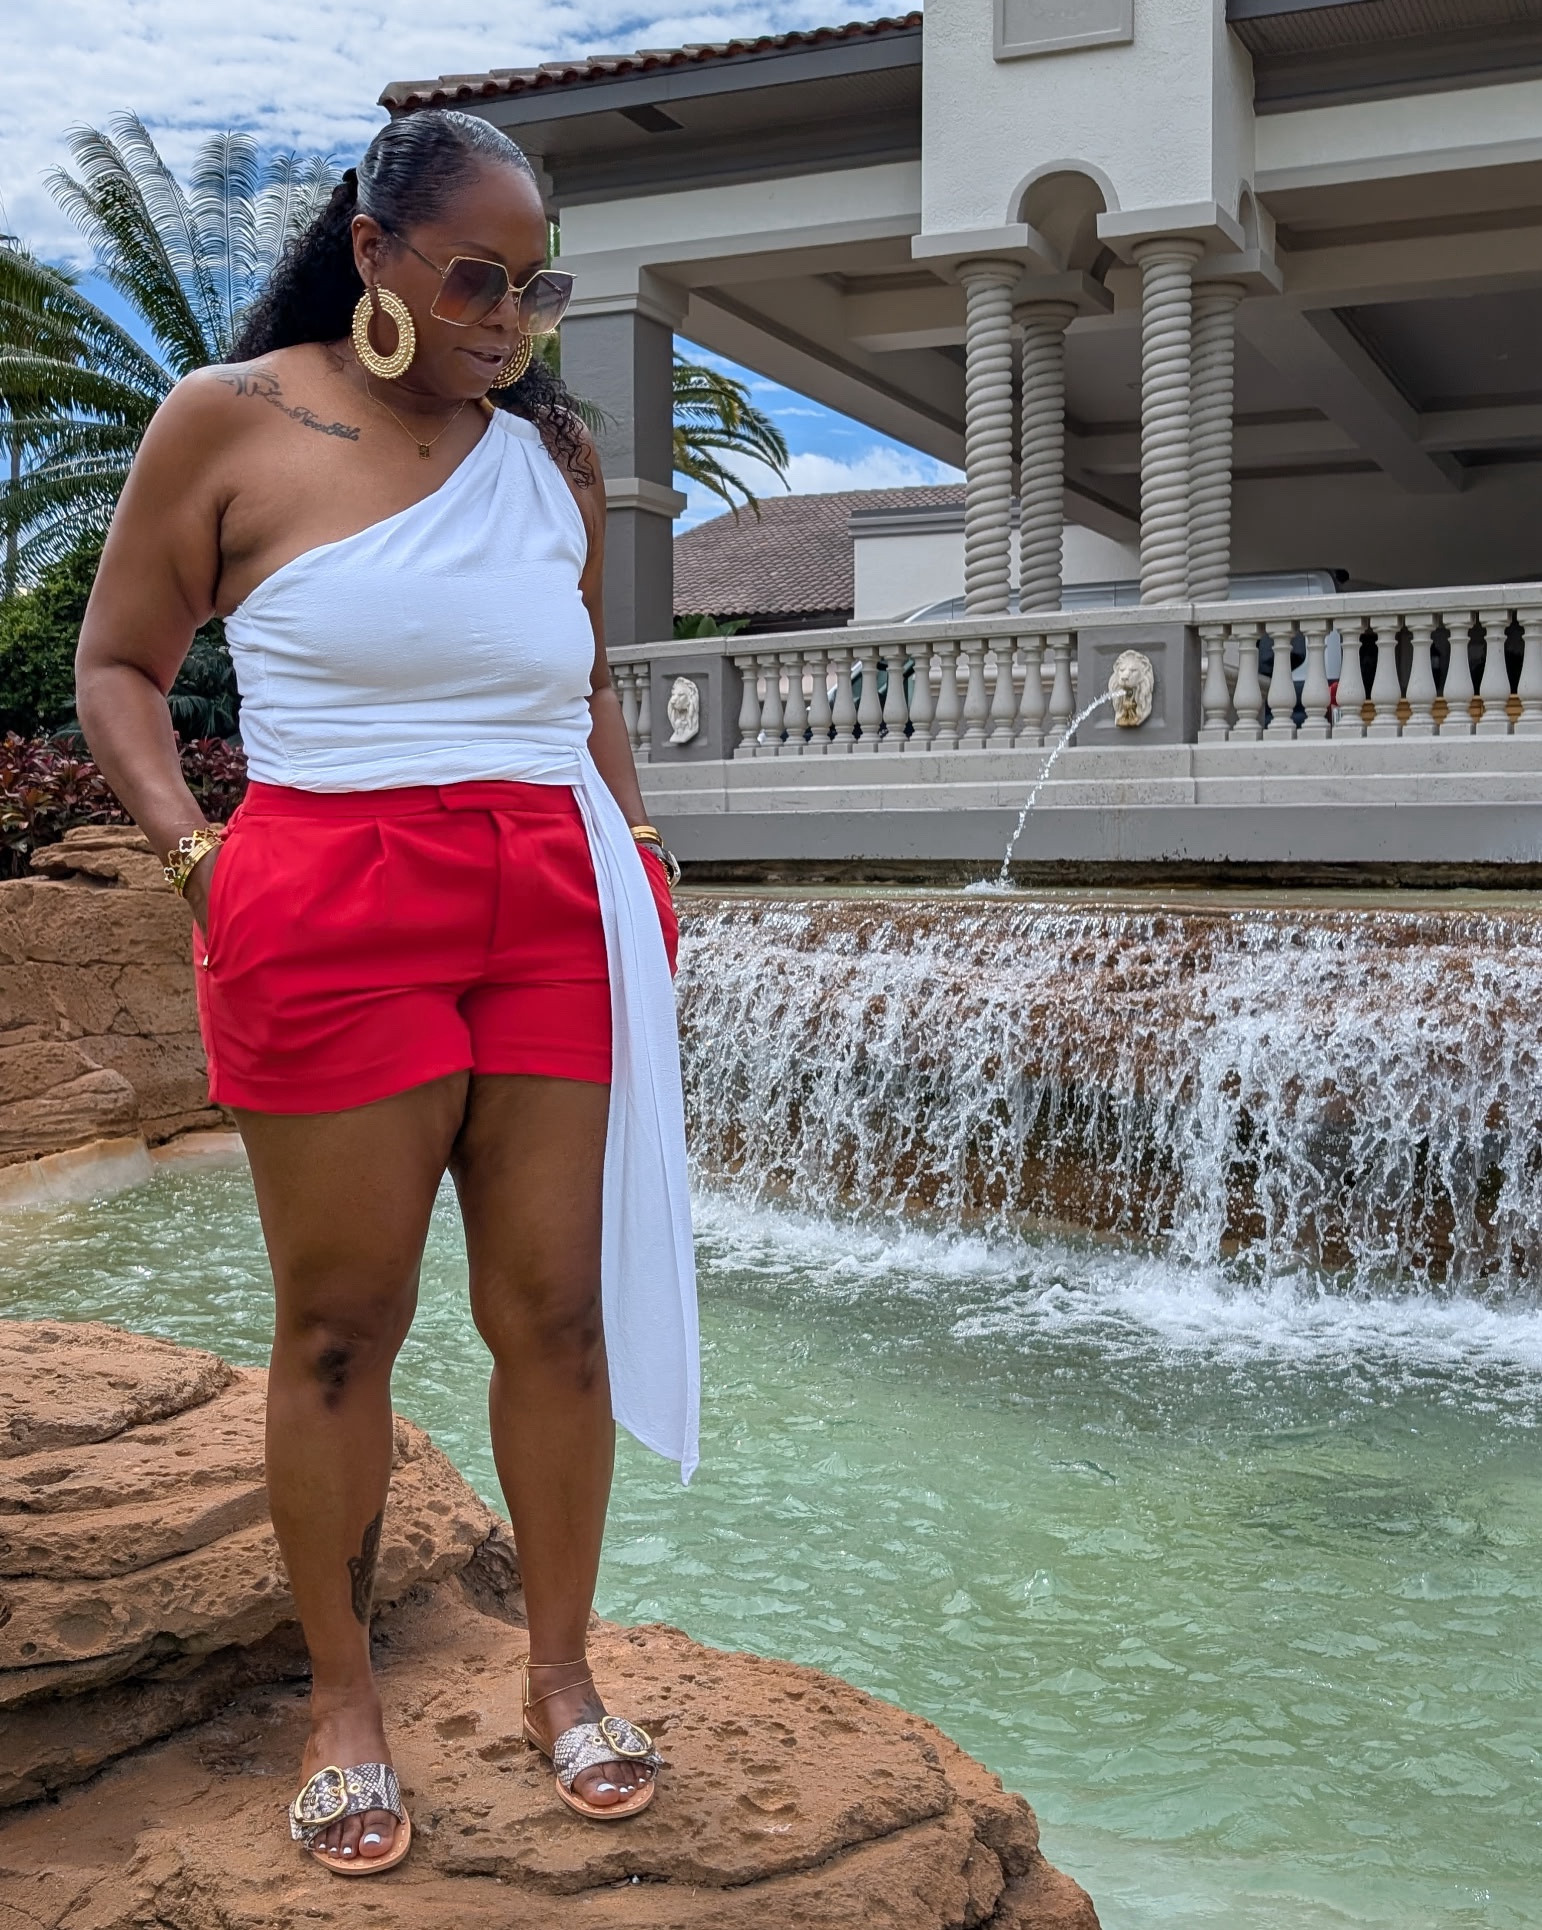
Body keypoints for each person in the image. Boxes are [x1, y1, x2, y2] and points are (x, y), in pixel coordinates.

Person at [75, 109, 699, 1874]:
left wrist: (640, 852)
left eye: (537, 286)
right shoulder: (231, 419)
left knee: (555, 1312)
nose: (509, 317)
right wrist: (197, 851)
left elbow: (580, 688)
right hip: (328, 891)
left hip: (551, 899)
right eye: (476, 277)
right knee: (343, 1323)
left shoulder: (545, 454)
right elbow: (120, 663)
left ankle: (559, 1675)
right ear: (374, 254)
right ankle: (342, 1701)